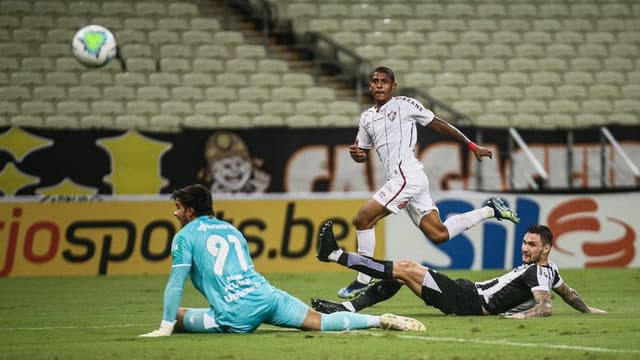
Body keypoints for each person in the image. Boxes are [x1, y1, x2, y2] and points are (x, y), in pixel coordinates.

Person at [139, 184, 426, 337]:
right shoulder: (232, 230)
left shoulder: (185, 236)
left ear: (189, 211)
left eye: (178, 208)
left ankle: (170, 326)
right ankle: (378, 320)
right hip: (267, 296)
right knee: (319, 322)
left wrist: (164, 326)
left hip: (236, 314)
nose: (175, 213)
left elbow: (176, 284)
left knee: (177, 315)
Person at [338, 65, 520, 298]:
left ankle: (364, 277)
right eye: (375, 81)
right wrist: (358, 156)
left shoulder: (404, 104)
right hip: (405, 180)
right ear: (370, 85)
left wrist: (472, 145)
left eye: (384, 81)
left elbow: (440, 124)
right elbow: (361, 152)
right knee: (439, 234)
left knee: (363, 219)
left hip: (408, 177)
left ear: (393, 86)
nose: (379, 85)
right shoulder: (366, 118)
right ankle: (489, 211)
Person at [314, 220, 607, 318]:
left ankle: (335, 254)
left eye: (531, 245)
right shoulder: (551, 270)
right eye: (524, 243)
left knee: (404, 267)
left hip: (468, 301)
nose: (525, 248)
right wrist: (589, 311)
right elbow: (568, 294)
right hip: (465, 293)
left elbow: (545, 307)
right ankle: (347, 309)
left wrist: (515, 316)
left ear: (546, 249)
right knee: (403, 275)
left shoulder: (538, 273)